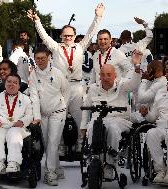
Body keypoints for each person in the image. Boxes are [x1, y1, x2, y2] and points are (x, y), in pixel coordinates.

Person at [27, 3, 105, 150]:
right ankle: (60, 147)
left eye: (71, 35)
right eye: (65, 35)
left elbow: (91, 32)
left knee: (81, 119)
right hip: (59, 88)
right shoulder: (56, 48)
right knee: (59, 119)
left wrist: (98, 16)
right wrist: (37, 21)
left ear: (75, 36)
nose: (68, 37)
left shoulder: (81, 47)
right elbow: (43, 36)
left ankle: (81, 146)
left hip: (76, 87)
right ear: (61, 36)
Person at [81, 52, 142, 179]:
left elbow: (135, 83)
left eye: (109, 75)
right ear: (99, 76)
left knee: (112, 128)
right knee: (92, 126)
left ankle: (109, 164)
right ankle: (93, 159)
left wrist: (137, 65)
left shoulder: (122, 85)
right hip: (99, 118)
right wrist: (83, 126)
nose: (105, 77)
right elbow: (86, 109)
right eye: (102, 75)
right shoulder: (93, 88)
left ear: (115, 75)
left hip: (120, 119)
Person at [29, 47, 70, 186]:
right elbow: (34, 97)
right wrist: (36, 116)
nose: (40, 61)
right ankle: (57, 168)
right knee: (47, 144)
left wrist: (63, 107)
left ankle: (50, 173)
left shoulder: (57, 73)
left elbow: (66, 91)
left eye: (43, 58)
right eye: (37, 58)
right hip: (42, 115)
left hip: (58, 112)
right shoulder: (33, 75)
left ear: (48, 57)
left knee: (53, 142)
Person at [0, 73, 33, 175]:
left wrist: (22, 121)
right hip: (1, 126)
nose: (11, 84)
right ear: (5, 83)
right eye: (9, 82)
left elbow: (30, 115)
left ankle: (13, 163)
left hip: (18, 128)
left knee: (14, 132)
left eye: (15, 83)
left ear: (19, 86)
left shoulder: (25, 99)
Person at [143, 86, 168, 183]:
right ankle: (160, 170)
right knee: (151, 134)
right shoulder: (160, 92)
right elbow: (153, 117)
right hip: (161, 126)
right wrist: (147, 114)